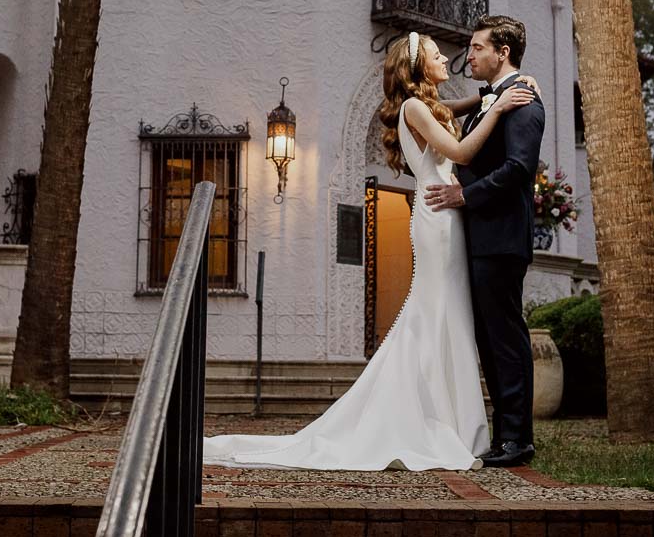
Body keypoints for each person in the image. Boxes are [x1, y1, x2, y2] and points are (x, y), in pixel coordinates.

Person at [202, 31, 534, 470]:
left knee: (446, 312)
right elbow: (461, 149)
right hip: (439, 217)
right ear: (418, 67)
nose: (448, 60)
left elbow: (454, 111)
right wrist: (500, 108)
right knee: (437, 312)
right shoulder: (415, 109)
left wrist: (494, 96)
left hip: (446, 216)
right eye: (438, 56)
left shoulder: (423, 108)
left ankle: (452, 419)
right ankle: (439, 421)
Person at [424, 15, 545, 468]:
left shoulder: (523, 103)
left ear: (502, 53)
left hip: (500, 239)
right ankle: (504, 436)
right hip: (479, 239)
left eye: (476, 48)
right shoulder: (496, 99)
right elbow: (439, 108)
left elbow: (518, 168)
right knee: (488, 338)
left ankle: (518, 439)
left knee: (505, 339)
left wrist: (463, 194)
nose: (468, 55)